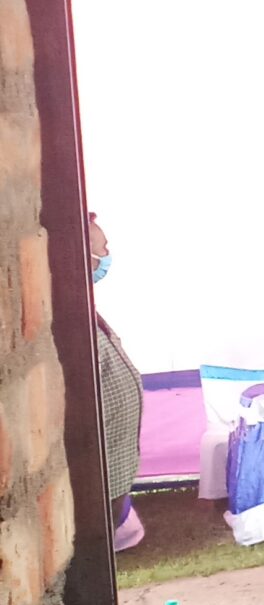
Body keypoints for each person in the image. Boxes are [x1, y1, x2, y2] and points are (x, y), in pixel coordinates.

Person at [89, 213, 144, 551]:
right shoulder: (70, 319)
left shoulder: (86, 309)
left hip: (114, 470)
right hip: (99, 472)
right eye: (103, 248)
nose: (107, 255)